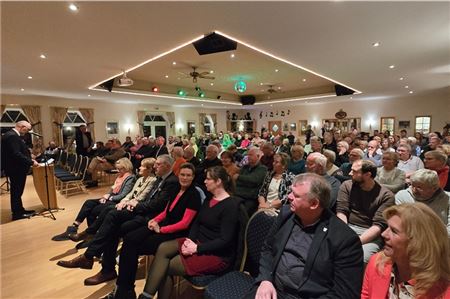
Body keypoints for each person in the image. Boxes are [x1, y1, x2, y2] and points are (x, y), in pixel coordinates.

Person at [244, 173, 364, 299]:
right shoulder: (286, 214)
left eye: (296, 196)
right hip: (272, 288)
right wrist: (265, 280)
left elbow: (345, 293)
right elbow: (268, 249)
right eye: (291, 192)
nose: (289, 197)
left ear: (314, 204)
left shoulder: (344, 238)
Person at [93, 163, 202, 296]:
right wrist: (155, 220)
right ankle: (124, 288)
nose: (184, 178)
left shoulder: (194, 195)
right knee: (129, 238)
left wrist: (161, 229)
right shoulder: (176, 190)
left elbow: (184, 224)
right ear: (178, 175)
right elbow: (166, 212)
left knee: (132, 246)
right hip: (162, 226)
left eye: (188, 175)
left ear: (193, 177)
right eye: (182, 174)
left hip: (175, 233)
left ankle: (124, 290)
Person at [56, 155, 179, 272]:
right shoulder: (161, 178)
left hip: (150, 217)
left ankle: (92, 252)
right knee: (110, 215)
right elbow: (149, 199)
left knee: (113, 219)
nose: (155, 167)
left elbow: (158, 205)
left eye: (158, 164)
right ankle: (97, 260)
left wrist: (135, 205)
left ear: (167, 166)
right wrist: (132, 203)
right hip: (142, 210)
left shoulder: (171, 181)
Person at [138, 166, 240, 299]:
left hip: (216, 254)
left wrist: (196, 248)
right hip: (197, 243)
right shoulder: (210, 198)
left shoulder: (231, 205)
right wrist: (189, 241)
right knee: (163, 248)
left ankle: (146, 296)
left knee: (166, 266)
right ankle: (146, 296)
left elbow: (225, 240)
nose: (204, 181)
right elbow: (196, 223)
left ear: (218, 181)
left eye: (208, 179)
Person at [362, 203, 450, 298]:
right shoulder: (376, 263)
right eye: (387, 227)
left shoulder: (443, 287)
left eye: (394, 231)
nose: (384, 234)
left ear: (418, 241)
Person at [336, 159, 395, 263]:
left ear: (367, 175)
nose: (350, 173)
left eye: (354, 171)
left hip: (369, 233)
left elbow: (378, 226)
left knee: (359, 258)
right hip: (346, 227)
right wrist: (343, 234)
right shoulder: (347, 185)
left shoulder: (386, 196)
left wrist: (355, 242)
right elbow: (341, 211)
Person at [1, 121, 39, 220]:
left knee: (17, 192)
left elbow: (17, 151)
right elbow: (16, 154)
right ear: (22, 127)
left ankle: (20, 210)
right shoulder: (12, 136)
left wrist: (28, 156)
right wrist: (31, 162)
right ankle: (17, 214)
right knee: (17, 192)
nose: (27, 132)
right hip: (16, 169)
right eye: (27, 129)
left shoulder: (10, 135)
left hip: (15, 168)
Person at [395, 169, 450, 236]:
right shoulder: (402, 196)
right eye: (412, 185)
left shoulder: (448, 199)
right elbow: (399, 223)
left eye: (419, 187)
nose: (414, 190)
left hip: (439, 240)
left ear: (434, 188)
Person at [234, 147, 268, 216]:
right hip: (238, 195)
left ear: (258, 156)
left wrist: (239, 177)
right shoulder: (245, 167)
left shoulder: (262, 169)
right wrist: (245, 180)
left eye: (251, 155)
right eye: (248, 155)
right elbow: (238, 182)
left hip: (250, 198)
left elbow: (254, 180)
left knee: (242, 213)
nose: (248, 157)